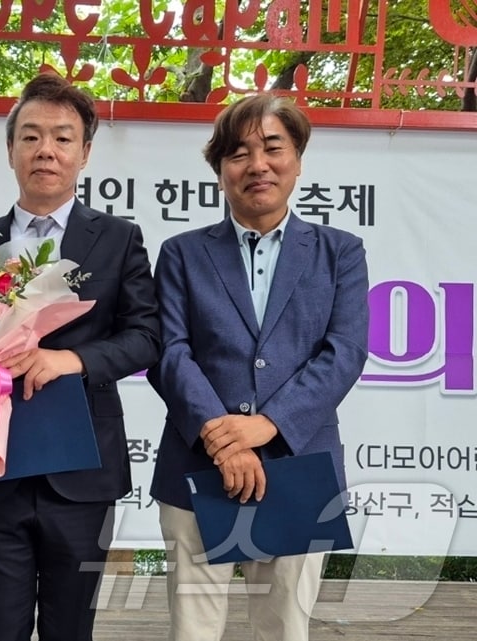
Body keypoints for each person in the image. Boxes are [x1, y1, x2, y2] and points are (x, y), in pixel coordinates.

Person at [0, 72, 162, 641]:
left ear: (85, 152)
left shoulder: (118, 239)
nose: (47, 150)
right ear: (11, 149)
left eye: (63, 138)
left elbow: (146, 337)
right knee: (1, 626)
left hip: (82, 468)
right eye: (32, 136)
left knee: (71, 628)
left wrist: (73, 360)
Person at [147, 93, 369, 641]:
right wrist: (225, 439)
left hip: (299, 464)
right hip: (198, 465)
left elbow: (344, 352)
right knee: (192, 631)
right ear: (220, 168)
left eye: (273, 147)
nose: (257, 165)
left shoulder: (339, 252)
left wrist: (265, 426)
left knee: (284, 630)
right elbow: (168, 351)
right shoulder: (181, 253)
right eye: (239, 153)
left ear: (297, 157)